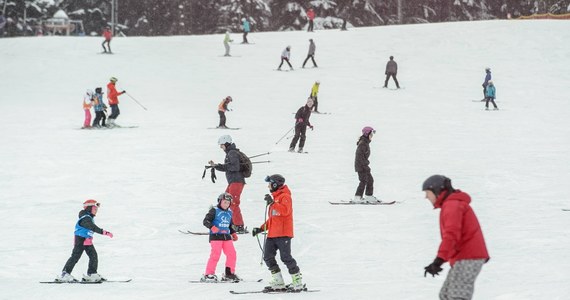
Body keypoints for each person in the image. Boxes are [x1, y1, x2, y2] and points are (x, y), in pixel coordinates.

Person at [422, 175, 490, 300]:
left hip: (469, 256)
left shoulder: (452, 206)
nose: (426, 197)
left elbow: (451, 235)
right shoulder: (451, 204)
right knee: (446, 295)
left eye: (428, 193)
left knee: (457, 296)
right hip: (463, 257)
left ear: (437, 190)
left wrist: (439, 260)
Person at [252, 174, 304, 292]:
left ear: (275, 184)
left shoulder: (285, 196)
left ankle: (297, 281)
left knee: (286, 257)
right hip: (272, 234)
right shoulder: (275, 199)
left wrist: (273, 203)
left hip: (283, 234)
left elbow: (285, 211)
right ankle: (278, 281)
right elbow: (273, 219)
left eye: (269, 184)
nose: (268, 186)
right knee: (268, 257)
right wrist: (260, 228)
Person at [56, 200, 114, 282]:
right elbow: (92, 227)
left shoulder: (89, 217)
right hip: (80, 239)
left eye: (96, 209)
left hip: (87, 240)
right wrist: (104, 232)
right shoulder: (85, 218)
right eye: (94, 208)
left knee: (93, 255)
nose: (96, 210)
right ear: (89, 208)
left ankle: (92, 273)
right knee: (75, 256)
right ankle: (65, 274)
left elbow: (89, 229)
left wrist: (89, 238)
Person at [208, 135, 247, 234]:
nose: (221, 147)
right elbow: (230, 166)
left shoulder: (232, 153)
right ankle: (228, 223)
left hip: (236, 181)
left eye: (221, 145)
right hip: (233, 182)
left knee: (232, 203)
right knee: (224, 201)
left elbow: (235, 167)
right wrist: (217, 166)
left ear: (226, 143)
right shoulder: (231, 152)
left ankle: (239, 226)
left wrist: (219, 166)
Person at [201, 193, 241, 282]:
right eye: (224, 202)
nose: (226, 204)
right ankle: (209, 274)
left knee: (232, 254)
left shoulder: (230, 212)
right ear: (220, 201)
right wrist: (212, 227)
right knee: (216, 254)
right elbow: (205, 221)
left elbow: (230, 225)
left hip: (226, 237)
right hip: (215, 237)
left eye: (228, 203)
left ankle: (229, 274)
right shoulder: (214, 210)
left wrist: (233, 233)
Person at [353, 126, 382, 203]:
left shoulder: (365, 143)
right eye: (371, 134)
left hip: (364, 165)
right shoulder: (363, 144)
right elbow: (359, 157)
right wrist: (364, 166)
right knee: (363, 181)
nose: (372, 136)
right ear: (367, 134)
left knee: (370, 180)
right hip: (361, 166)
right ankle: (357, 197)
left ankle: (369, 196)